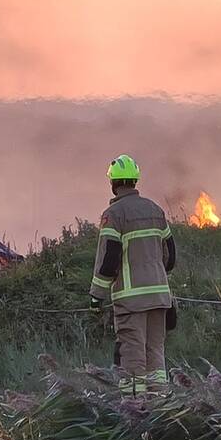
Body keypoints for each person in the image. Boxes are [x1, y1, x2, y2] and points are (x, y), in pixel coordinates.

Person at [89, 154, 176, 395]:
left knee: (132, 360)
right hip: (160, 298)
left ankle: (135, 411)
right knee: (155, 357)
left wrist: (96, 296)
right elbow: (170, 256)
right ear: (135, 181)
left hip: (131, 301)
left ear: (113, 183)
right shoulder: (155, 210)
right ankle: (161, 406)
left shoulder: (114, 215)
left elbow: (108, 262)